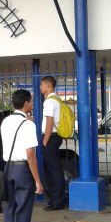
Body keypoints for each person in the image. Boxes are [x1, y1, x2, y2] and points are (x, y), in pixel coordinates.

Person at [0, 90, 43, 222]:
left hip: (7, 168)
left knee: (10, 209)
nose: (32, 104)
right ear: (26, 103)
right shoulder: (28, 124)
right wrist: (38, 181)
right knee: (23, 213)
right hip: (23, 171)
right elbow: (30, 154)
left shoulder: (6, 121)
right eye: (31, 101)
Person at [40, 76, 66, 211]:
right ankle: (55, 199)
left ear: (48, 85)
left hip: (50, 138)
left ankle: (57, 201)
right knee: (54, 169)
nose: (40, 88)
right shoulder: (57, 100)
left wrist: (44, 141)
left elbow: (49, 123)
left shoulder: (50, 102)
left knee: (53, 171)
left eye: (41, 85)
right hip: (55, 137)